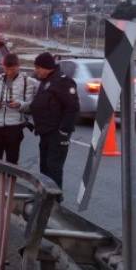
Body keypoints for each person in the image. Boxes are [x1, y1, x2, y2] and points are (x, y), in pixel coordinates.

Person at [29, 52, 79, 191]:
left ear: (47, 67)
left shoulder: (63, 82)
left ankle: (55, 200)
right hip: (45, 132)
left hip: (56, 133)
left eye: (38, 68)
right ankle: (45, 196)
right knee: (44, 166)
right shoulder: (46, 81)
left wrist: (64, 131)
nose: (36, 71)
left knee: (53, 167)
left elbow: (72, 107)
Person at [0, 53, 36, 164]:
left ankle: (11, 181)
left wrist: (19, 104)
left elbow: (31, 105)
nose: (9, 72)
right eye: (7, 69)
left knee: (12, 161)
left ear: (18, 66)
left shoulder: (28, 82)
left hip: (14, 127)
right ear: (3, 67)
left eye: (12, 69)